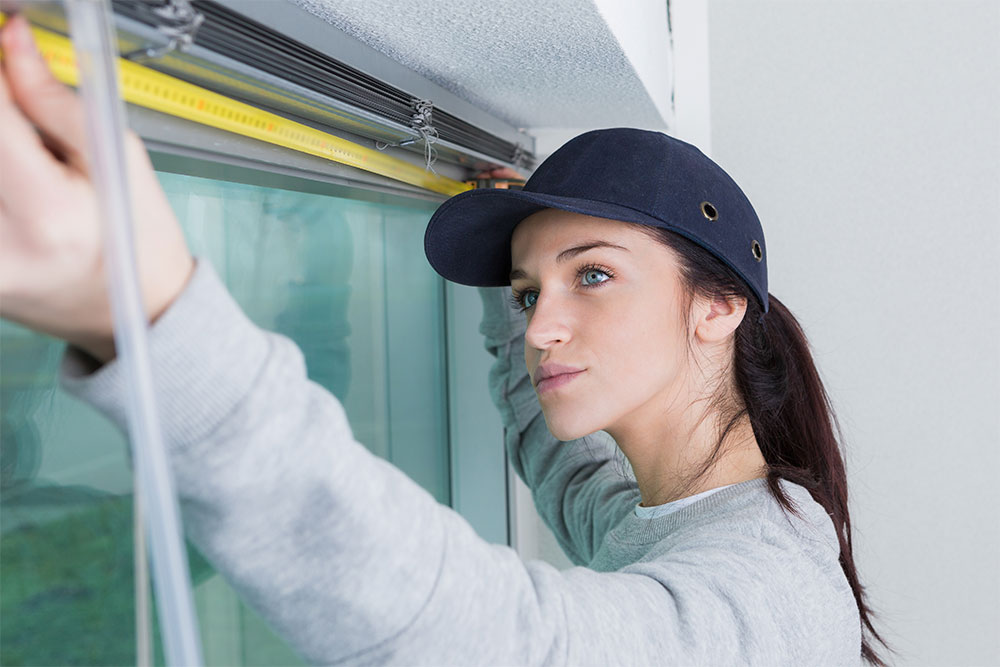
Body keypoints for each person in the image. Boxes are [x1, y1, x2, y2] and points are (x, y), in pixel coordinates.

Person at [0, 14, 891, 665]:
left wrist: (157, 316)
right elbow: (562, 461)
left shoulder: (763, 601)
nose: (542, 325)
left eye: (593, 275)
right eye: (525, 289)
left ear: (719, 305)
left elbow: (494, 637)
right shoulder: (669, 513)